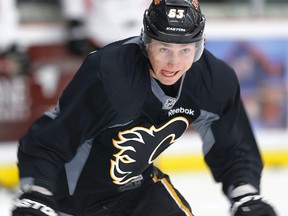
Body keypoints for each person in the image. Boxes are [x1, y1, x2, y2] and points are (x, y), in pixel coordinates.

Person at [12, 0, 277, 215]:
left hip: (137, 192)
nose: (173, 62)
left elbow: (232, 145)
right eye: (164, 49)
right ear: (146, 42)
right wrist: (38, 193)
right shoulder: (111, 73)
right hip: (67, 200)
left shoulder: (212, 79)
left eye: (185, 50)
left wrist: (245, 193)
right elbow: (52, 138)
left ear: (199, 47)